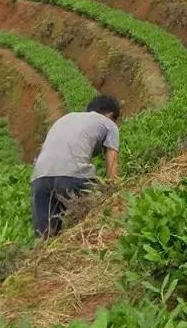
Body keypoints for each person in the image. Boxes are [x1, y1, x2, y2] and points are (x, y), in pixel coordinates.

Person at [30, 93, 121, 238]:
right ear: (110, 115)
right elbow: (112, 161)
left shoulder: (65, 119)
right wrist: (113, 192)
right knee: (91, 226)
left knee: (45, 238)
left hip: (39, 178)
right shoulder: (109, 124)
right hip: (71, 176)